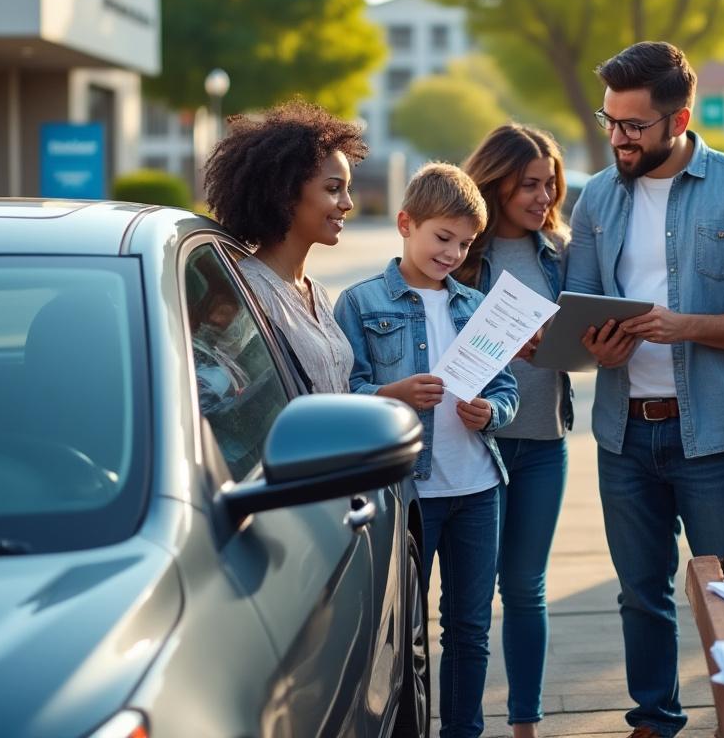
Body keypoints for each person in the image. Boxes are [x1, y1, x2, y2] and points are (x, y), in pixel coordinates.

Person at [565, 41, 724, 738]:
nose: (618, 139)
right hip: (622, 432)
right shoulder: (596, 198)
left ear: (679, 117)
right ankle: (652, 721)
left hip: (714, 434)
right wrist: (595, 347)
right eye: (610, 122)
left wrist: (685, 326)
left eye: (634, 126)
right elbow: (578, 317)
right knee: (641, 594)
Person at [333, 163, 519, 738]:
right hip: (409, 492)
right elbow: (344, 392)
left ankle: (463, 730)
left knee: (469, 627)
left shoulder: (477, 305)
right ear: (405, 223)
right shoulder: (360, 303)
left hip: (478, 488)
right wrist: (394, 394)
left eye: (464, 244)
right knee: (402, 626)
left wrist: (492, 411)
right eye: (442, 238)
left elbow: (506, 389)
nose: (452, 254)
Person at [456, 124, 572, 738]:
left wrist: (568, 341)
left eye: (549, 185)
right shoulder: (462, 254)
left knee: (526, 587)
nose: (543, 198)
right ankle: (464, 724)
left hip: (545, 443)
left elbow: (582, 342)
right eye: (529, 185)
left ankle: (525, 724)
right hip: (477, 446)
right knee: (470, 604)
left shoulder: (558, 252)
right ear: (497, 182)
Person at [203, 100, 362, 393]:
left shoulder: (318, 293)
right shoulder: (246, 290)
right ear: (286, 194)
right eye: (333, 188)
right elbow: (217, 398)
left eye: (347, 188)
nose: (347, 203)